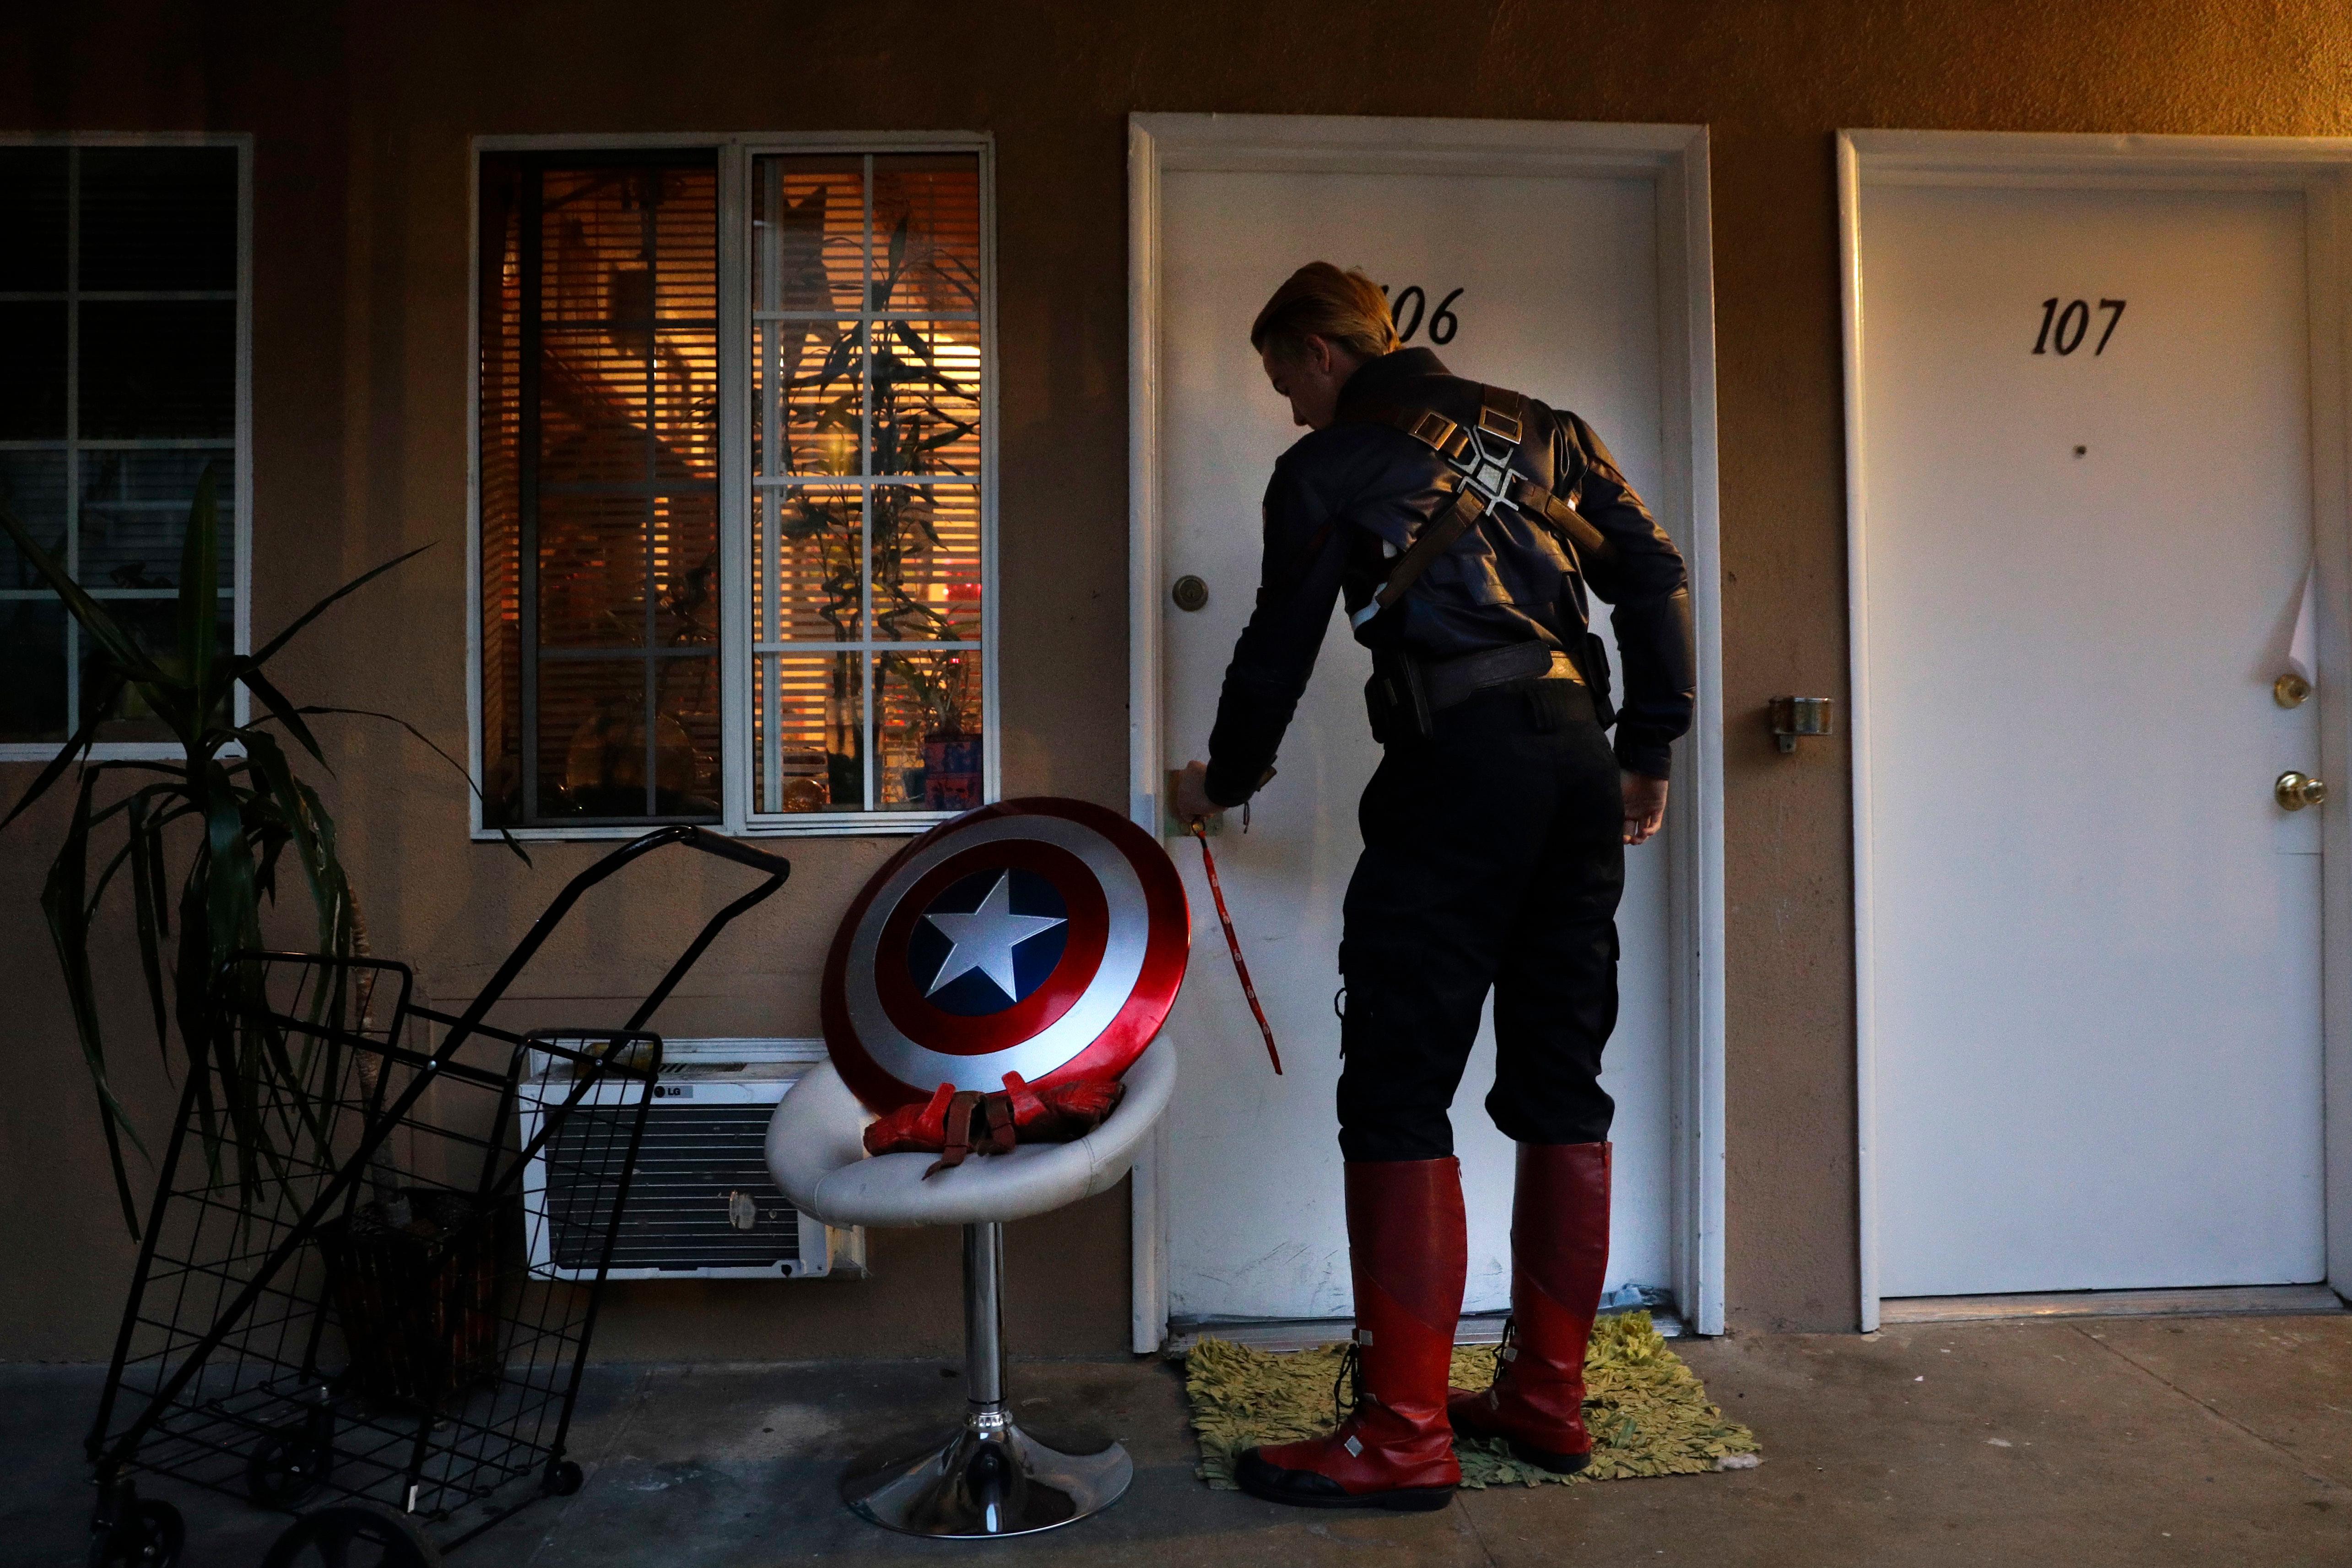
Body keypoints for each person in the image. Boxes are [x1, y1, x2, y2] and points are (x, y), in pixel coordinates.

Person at [1172, 263, 1695, 1511]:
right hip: (1575, 763)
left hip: (1458, 769)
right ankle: (1543, 1394)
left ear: (1320, 350)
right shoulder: (1543, 427)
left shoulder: (1329, 467)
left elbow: (1274, 649)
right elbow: (1652, 573)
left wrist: (1223, 779)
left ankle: (1403, 1433)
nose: (1289, 408)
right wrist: (1646, 745)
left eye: (1282, 378)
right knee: (1561, 1070)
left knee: (1399, 1080)